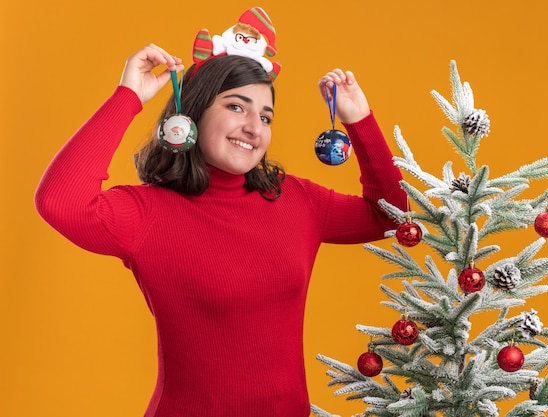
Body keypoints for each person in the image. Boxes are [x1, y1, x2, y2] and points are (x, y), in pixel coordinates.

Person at [35, 8, 406, 417]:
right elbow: (60, 202)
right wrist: (128, 98)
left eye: (266, 116)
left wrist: (360, 120)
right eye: (236, 107)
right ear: (193, 113)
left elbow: (393, 216)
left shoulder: (296, 200)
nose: (254, 127)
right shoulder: (147, 214)